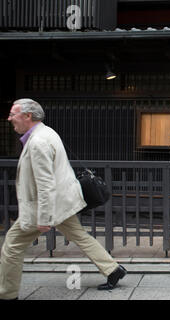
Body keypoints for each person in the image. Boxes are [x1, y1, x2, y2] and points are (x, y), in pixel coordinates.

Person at [0, 98, 126, 300]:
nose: (9, 118)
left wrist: (43, 218)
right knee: (80, 236)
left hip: (46, 206)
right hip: (60, 203)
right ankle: (112, 269)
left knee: (12, 247)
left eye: (12, 114)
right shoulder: (47, 132)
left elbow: (45, 182)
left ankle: (7, 294)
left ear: (27, 116)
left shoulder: (38, 141)